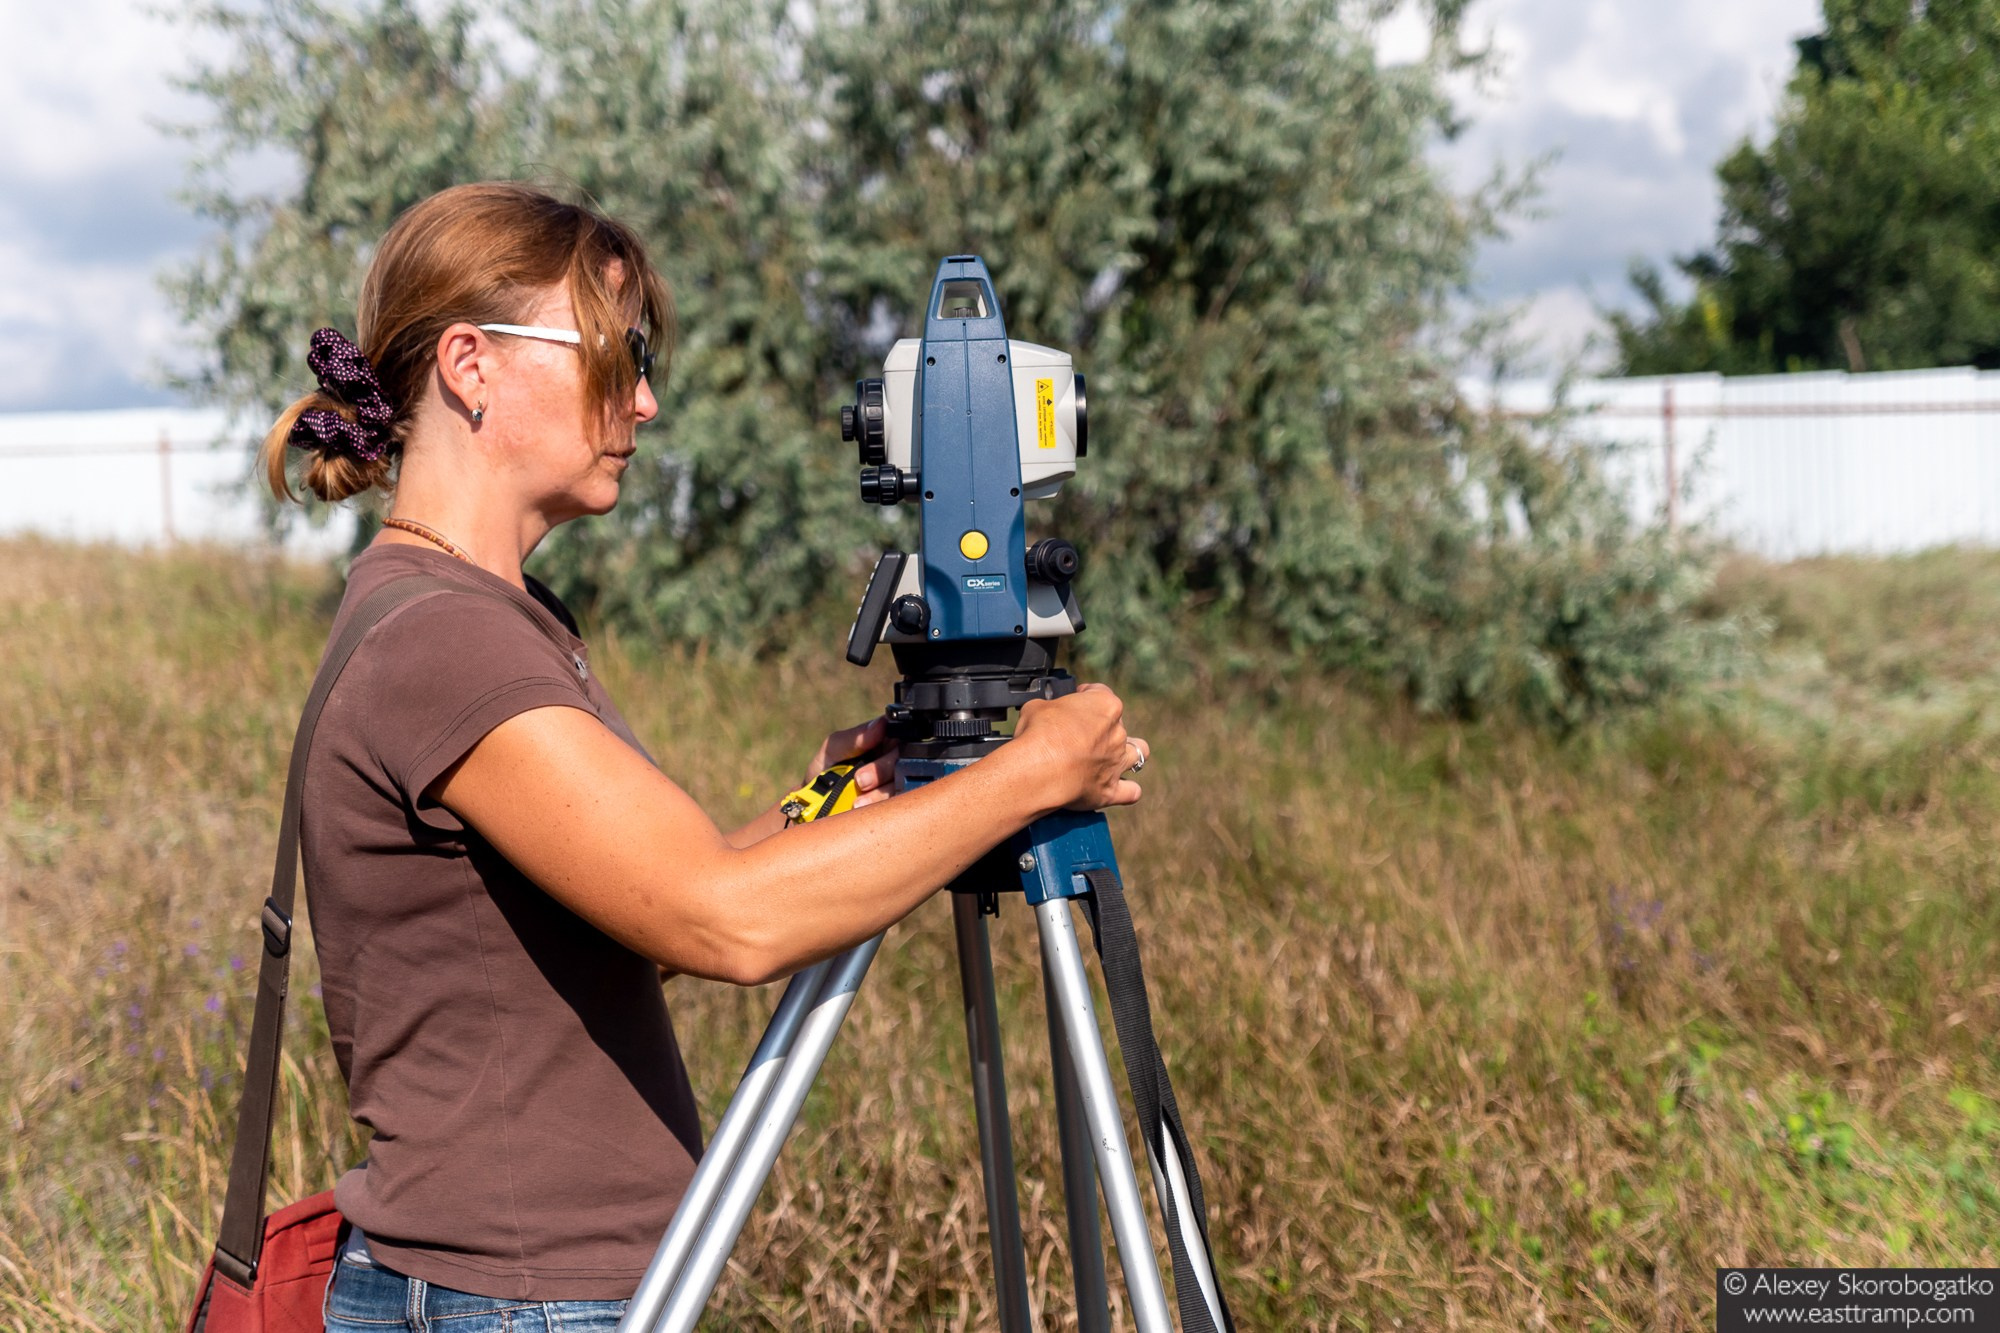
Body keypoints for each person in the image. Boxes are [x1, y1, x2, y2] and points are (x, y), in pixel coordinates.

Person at [262, 182, 1149, 1332]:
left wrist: (818, 815)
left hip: (517, 1287)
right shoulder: (447, 639)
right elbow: (723, 924)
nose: (642, 397)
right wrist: (1032, 773)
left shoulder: (485, 614)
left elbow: (624, 923)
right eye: (613, 353)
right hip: (510, 1298)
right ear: (472, 366)